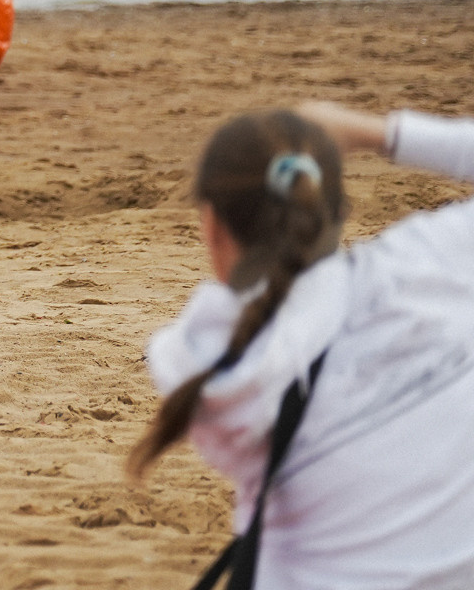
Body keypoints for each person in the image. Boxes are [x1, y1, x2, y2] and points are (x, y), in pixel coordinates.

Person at [129, 103, 474, 589]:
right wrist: (380, 134)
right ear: (337, 210)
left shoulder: (212, 360)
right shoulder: (434, 268)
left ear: (211, 228)